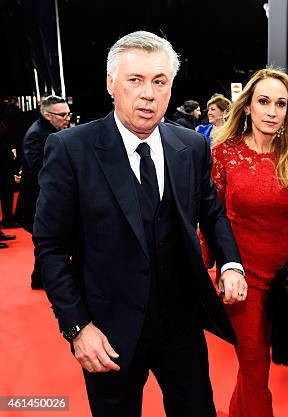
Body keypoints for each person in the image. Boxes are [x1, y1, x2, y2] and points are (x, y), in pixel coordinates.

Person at [33, 31, 246, 417]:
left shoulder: (192, 147)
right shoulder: (71, 149)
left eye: (159, 81)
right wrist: (78, 327)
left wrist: (231, 263)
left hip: (181, 324)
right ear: (111, 83)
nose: (148, 93)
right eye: (136, 80)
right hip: (109, 330)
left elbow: (211, 211)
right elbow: (50, 247)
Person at [208, 68, 288, 417]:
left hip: (282, 275)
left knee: (255, 364)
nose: (272, 111)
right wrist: (202, 268)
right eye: (264, 102)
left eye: (280, 104)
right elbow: (210, 216)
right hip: (240, 275)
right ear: (246, 107)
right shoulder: (225, 153)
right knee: (255, 363)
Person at [18, 95, 71, 288]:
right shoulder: (37, 135)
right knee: (48, 242)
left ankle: (41, 278)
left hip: (45, 199)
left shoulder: (48, 132)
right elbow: (39, 169)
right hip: (37, 201)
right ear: (48, 115)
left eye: (68, 113)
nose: (67, 118)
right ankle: (40, 279)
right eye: (63, 114)